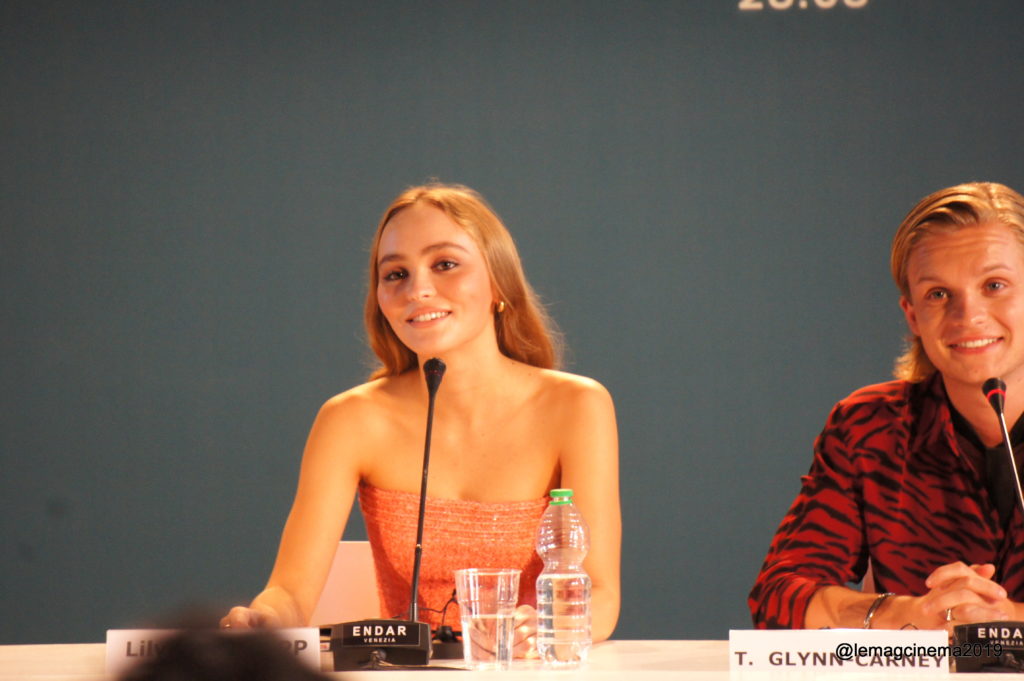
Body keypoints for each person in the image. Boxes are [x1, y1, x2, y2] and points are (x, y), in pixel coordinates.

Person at [221, 183, 621, 652]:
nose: (418, 290)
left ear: (498, 283)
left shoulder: (577, 405)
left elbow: (600, 593)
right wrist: (262, 620)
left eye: (445, 264)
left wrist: (546, 628)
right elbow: (289, 594)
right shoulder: (349, 419)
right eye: (395, 274)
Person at [750, 181, 1024, 630]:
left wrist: (1005, 619)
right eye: (938, 294)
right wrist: (900, 613)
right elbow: (777, 597)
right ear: (913, 315)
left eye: (994, 285)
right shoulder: (869, 427)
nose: (968, 316)